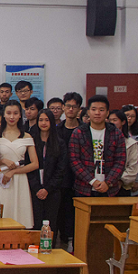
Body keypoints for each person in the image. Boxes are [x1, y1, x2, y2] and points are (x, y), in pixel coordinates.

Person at [0, 100, 38, 227]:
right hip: (1, 178)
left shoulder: (27, 136)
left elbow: (35, 164)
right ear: (4, 115)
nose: (12, 117)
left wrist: (13, 172)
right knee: (0, 212)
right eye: (9, 113)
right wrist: (2, 161)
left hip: (19, 179)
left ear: (20, 115)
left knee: (20, 214)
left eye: (15, 113)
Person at [69, 95, 126, 198]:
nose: (97, 113)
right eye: (94, 109)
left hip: (109, 189)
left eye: (101, 110)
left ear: (107, 113)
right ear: (88, 112)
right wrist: (92, 181)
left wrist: (108, 182)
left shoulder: (116, 133)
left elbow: (120, 161)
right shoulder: (78, 133)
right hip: (84, 188)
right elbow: (74, 161)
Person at [28, 109, 65, 231]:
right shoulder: (31, 142)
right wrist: (37, 188)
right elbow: (28, 166)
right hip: (34, 189)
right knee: (35, 221)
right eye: (41, 120)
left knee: (51, 222)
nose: (43, 123)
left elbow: (61, 169)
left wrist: (47, 189)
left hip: (52, 190)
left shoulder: (59, 143)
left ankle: (51, 243)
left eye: (47, 120)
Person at [56, 92, 82, 252]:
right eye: (68, 106)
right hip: (61, 179)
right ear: (63, 107)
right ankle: (63, 241)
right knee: (61, 212)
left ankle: (74, 241)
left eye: (74, 106)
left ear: (79, 109)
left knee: (75, 213)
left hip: (80, 179)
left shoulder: (84, 130)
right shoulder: (57, 129)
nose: (71, 109)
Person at [108, 110, 138, 197]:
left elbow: (132, 168)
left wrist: (118, 180)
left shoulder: (131, 143)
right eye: (110, 120)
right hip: (104, 185)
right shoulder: (102, 141)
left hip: (122, 185)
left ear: (123, 122)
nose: (112, 123)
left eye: (115, 120)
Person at [121, 105, 138, 196]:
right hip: (118, 175)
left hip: (133, 175)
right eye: (127, 116)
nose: (129, 119)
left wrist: (137, 179)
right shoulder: (116, 133)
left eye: (132, 116)